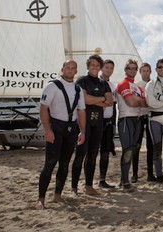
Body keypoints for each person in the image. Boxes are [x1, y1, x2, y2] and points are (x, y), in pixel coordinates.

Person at [37, 60, 86, 209]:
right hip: (56, 128)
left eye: (73, 68)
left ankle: (58, 195)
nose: (70, 70)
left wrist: (82, 131)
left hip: (71, 130)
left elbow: (81, 111)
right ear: (62, 69)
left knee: (64, 164)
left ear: (76, 70)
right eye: (67, 67)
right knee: (50, 163)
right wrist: (47, 130)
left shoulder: (78, 90)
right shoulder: (52, 86)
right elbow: (43, 108)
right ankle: (41, 199)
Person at [71, 54, 113, 195]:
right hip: (84, 121)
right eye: (92, 65)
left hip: (98, 122)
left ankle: (88, 186)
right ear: (88, 66)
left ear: (100, 67)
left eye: (97, 65)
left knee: (93, 155)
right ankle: (74, 188)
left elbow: (110, 102)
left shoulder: (103, 83)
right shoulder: (82, 80)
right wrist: (101, 99)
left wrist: (93, 99)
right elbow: (84, 100)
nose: (95, 67)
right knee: (80, 154)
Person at [116, 59, 146, 192]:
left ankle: (123, 179)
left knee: (132, 150)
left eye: (134, 68)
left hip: (137, 119)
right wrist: (138, 100)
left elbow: (145, 104)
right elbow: (131, 103)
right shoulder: (123, 83)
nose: (132, 70)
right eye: (130, 68)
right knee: (127, 150)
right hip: (126, 119)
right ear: (125, 70)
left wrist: (138, 100)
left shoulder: (138, 87)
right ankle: (125, 181)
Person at [96, 60, 117, 189]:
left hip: (108, 123)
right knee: (92, 152)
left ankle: (102, 179)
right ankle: (88, 182)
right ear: (101, 68)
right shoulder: (95, 83)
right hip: (96, 121)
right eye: (106, 67)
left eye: (111, 68)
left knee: (105, 152)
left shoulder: (113, 86)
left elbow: (113, 106)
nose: (109, 70)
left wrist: (113, 123)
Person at [138, 62, 155, 182]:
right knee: (136, 146)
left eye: (147, 70)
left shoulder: (153, 84)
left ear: (150, 72)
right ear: (140, 72)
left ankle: (150, 174)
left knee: (151, 147)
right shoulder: (136, 85)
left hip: (150, 116)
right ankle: (134, 174)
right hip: (139, 116)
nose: (145, 72)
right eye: (143, 70)